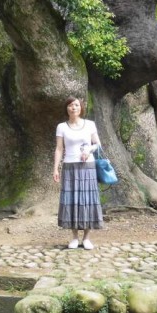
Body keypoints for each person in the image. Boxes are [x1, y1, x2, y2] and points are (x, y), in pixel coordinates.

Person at [53, 96, 104, 250]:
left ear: (81, 107)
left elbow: (97, 144)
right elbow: (59, 149)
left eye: (76, 105)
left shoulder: (90, 125)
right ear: (67, 108)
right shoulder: (61, 126)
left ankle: (87, 238)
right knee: (71, 201)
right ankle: (74, 238)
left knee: (87, 200)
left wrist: (88, 149)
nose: (73, 107)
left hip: (88, 166)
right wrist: (56, 168)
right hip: (69, 166)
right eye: (70, 105)